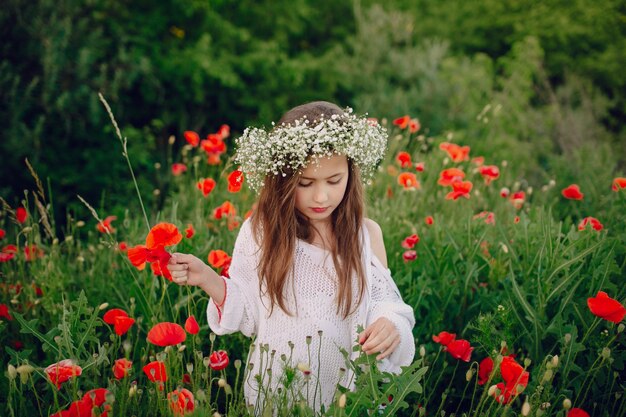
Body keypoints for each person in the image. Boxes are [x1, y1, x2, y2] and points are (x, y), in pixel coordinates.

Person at [168, 101, 415, 414]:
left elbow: (386, 302)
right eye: (305, 183)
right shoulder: (262, 232)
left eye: (334, 180)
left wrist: (389, 323)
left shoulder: (366, 235)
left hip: (347, 399)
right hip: (278, 394)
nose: (321, 197)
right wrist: (207, 278)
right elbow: (247, 311)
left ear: (351, 173)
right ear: (283, 179)